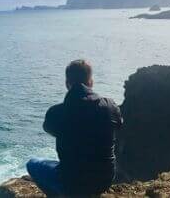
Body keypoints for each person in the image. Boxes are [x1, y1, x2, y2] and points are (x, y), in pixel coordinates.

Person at [26, 59, 123, 197]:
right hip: (104, 179)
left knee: (32, 163)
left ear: (67, 84)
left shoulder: (56, 113)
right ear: (91, 82)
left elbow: (48, 128)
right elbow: (118, 124)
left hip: (71, 183)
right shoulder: (110, 106)